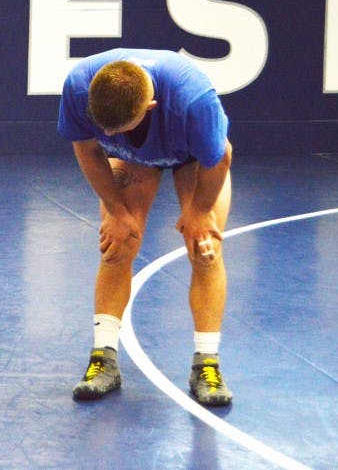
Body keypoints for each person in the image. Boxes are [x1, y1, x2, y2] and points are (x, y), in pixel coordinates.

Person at [57, 48, 233, 407]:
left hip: (194, 159)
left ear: (149, 108)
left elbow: (220, 156)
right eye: (102, 125)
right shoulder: (78, 86)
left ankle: (207, 365)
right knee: (116, 245)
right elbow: (88, 149)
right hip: (133, 157)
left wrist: (199, 211)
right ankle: (102, 360)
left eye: (114, 129)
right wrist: (116, 210)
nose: (105, 133)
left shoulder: (193, 100)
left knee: (205, 250)